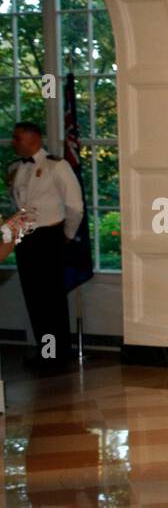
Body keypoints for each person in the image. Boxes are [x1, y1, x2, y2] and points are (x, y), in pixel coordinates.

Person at [6, 122, 83, 371]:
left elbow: (75, 206)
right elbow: (19, 207)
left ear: (33, 139)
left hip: (49, 237)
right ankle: (45, 352)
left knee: (51, 300)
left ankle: (58, 355)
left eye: (18, 138)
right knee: (34, 299)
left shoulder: (56, 166)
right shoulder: (16, 168)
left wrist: (67, 234)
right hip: (25, 236)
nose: (13, 142)